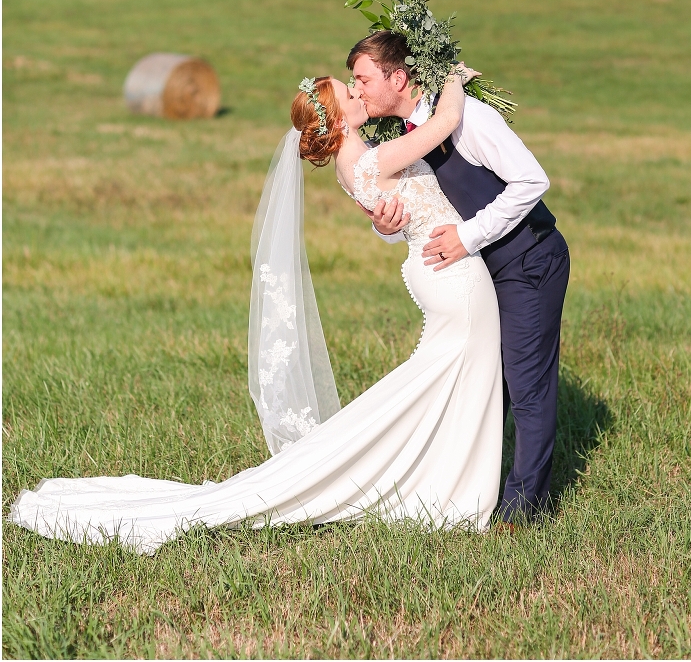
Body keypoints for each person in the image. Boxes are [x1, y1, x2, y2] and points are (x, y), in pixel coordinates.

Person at [9, 65, 505, 554]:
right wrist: (452, 78)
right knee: (447, 378)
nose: (357, 92)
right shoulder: (367, 161)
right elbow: (441, 125)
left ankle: (442, 481)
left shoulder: (356, 161)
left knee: (445, 380)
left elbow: (396, 209)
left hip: (440, 269)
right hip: (451, 276)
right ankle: (445, 489)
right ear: (336, 120)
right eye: (347, 93)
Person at [348, 32, 570, 523]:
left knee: (526, 385)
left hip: (529, 258)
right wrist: (386, 227)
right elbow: (421, 213)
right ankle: (461, 485)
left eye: (363, 79)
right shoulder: (403, 135)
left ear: (398, 77)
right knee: (485, 380)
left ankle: (521, 514)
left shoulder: (472, 118)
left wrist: (468, 238)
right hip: (484, 269)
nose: (356, 89)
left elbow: (532, 182)